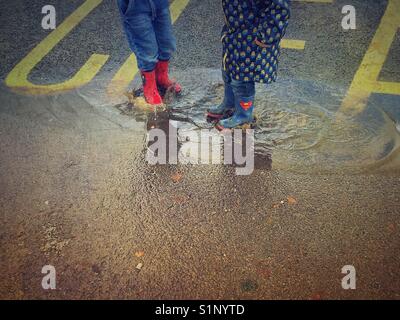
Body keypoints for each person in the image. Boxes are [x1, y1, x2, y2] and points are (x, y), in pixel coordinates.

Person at [208, 0, 291, 130]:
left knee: (242, 79)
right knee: (228, 69)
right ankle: (230, 104)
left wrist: (267, 36)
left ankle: (244, 115)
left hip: (253, 35)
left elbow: (280, 8)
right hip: (235, 30)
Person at [117, 0, 181, 105]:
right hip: (136, 4)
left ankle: (161, 77)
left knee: (166, 42)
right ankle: (149, 86)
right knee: (146, 49)